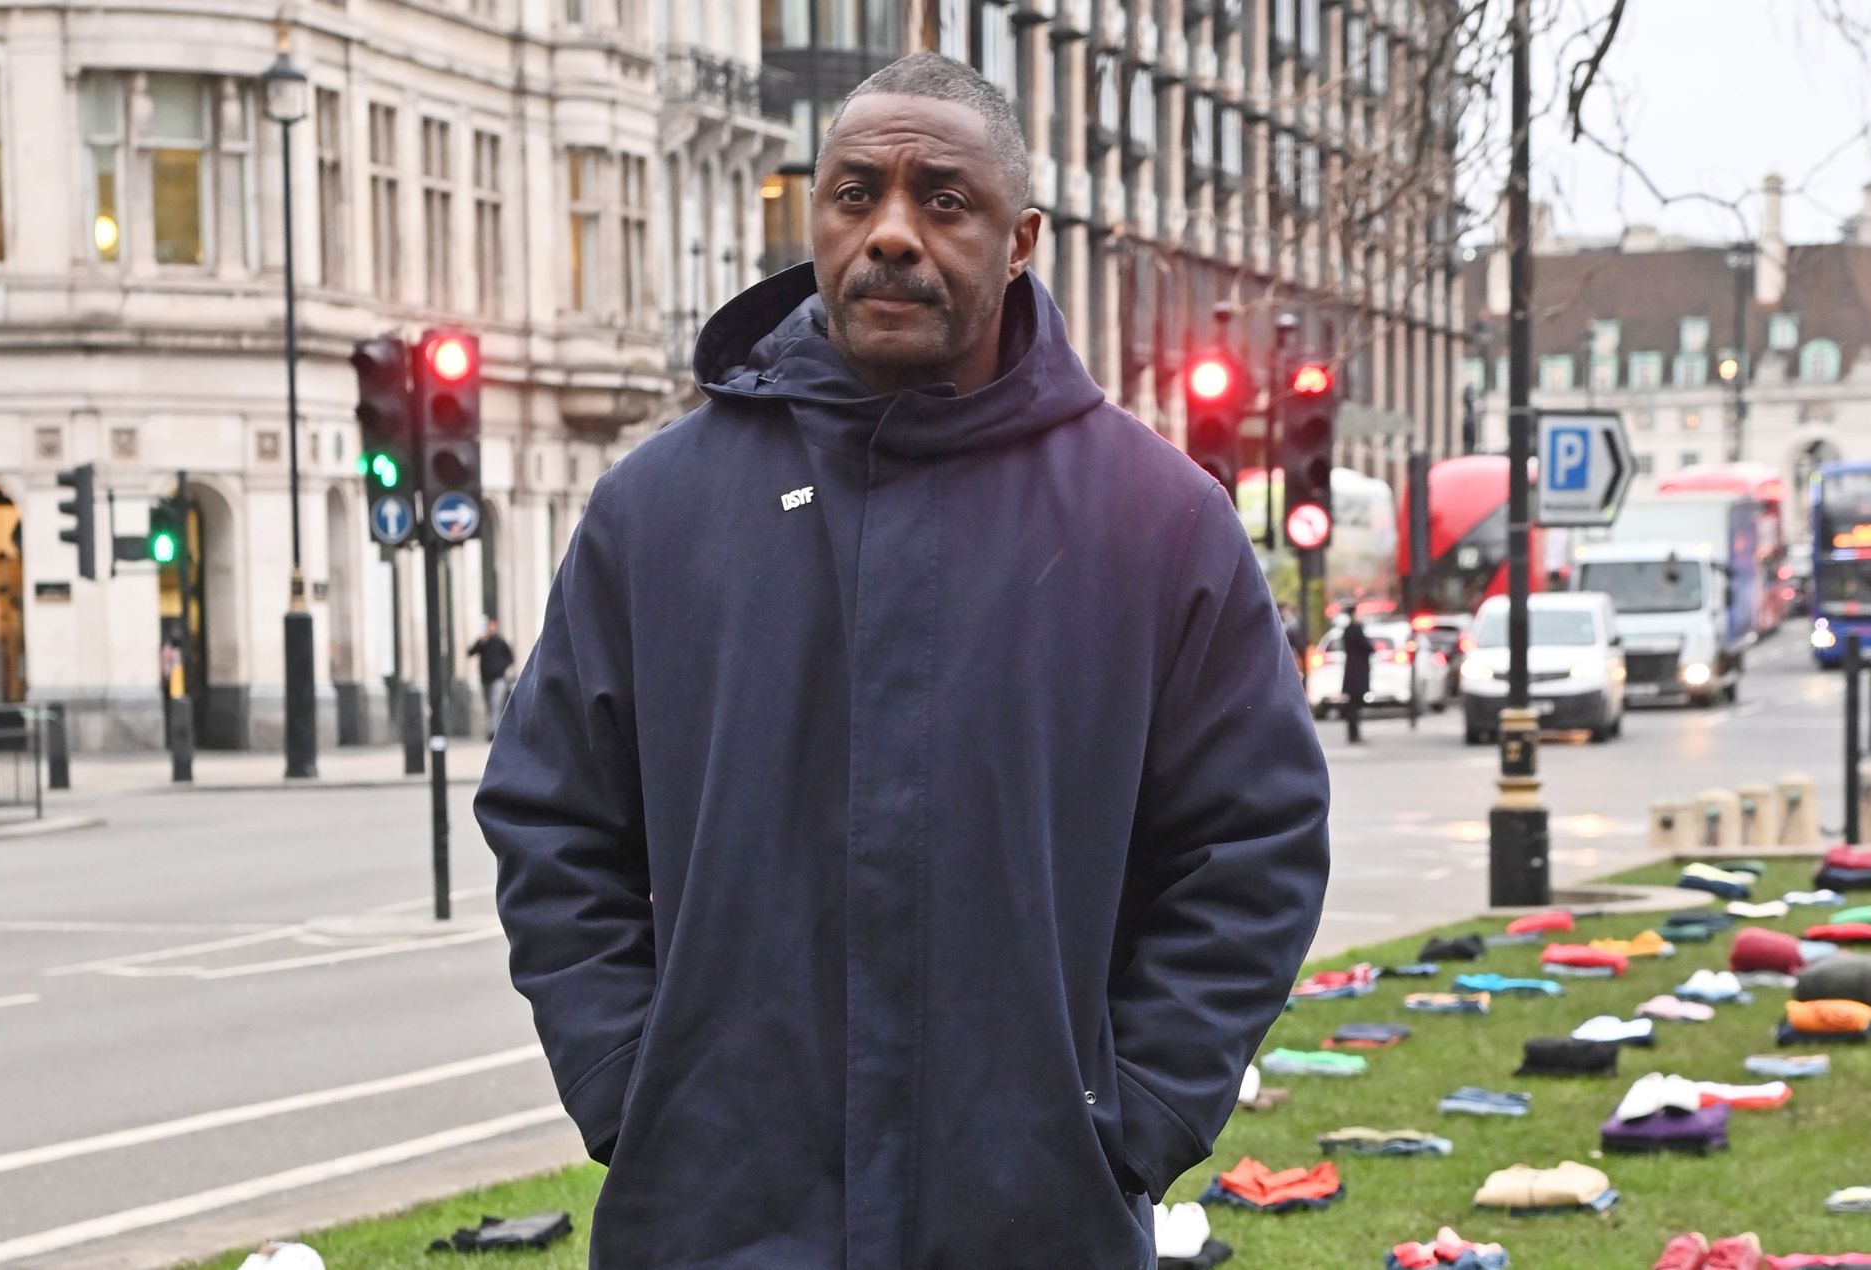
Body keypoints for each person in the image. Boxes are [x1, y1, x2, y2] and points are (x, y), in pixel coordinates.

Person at [475, 52, 1329, 1270]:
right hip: (715, 1220)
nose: (889, 233)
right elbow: (551, 817)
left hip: (1033, 1224)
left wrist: (1131, 1115)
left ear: (1020, 235)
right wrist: (629, 1080)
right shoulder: (653, 511)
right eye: (853, 193)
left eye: (941, 198)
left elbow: (1254, 842)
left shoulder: (1154, 521)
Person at [464, 620, 514, 740]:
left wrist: (501, 667)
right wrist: (481, 641)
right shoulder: (483, 642)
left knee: (495, 703)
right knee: (489, 705)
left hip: (498, 678)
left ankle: (494, 732)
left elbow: (510, 658)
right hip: (486, 679)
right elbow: (470, 652)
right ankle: (492, 729)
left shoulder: (501, 642)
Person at [1341, 605, 1375, 744]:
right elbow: (1367, 647)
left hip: (1351, 671)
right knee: (1354, 704)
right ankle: (1354, 734)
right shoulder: (1356, 629)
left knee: (1352, 703)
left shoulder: (1347, 630)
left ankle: (1353, 733)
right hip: (1357, 672)